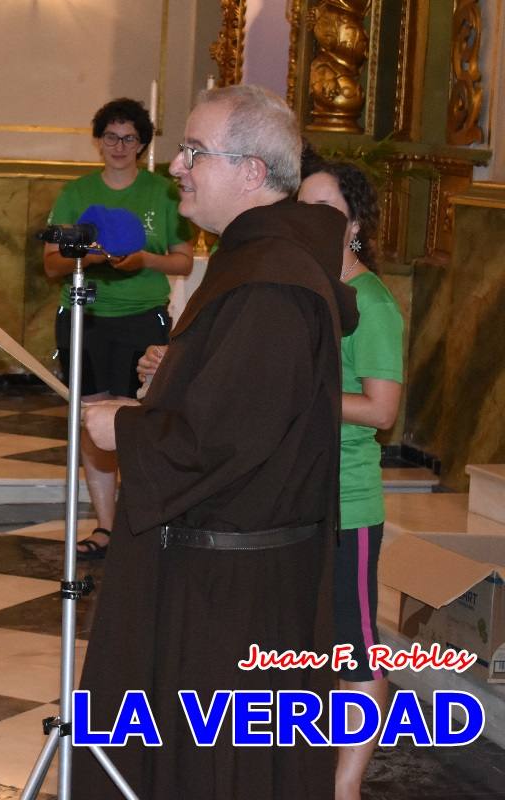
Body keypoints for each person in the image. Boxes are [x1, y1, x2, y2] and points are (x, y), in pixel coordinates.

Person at [72, 85, 358, 799]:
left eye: (196, 152)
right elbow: (243, 399)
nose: (176, 166)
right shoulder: (255, 262)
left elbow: (228, 439)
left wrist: (127, 428)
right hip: (230, 571)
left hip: (230, 593)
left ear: (254, 174)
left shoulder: (270, 282)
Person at [42, 98, 193, 560]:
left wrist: (144, 259)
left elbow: (184, 259)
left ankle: (140, 521)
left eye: (129, 138)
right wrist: (92, 256)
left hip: (144, 319)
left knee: (141, 422)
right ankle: (106, 526)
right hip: (85, 318)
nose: (119, 146)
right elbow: (51, 265)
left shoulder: (163, 193)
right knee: (92, 423)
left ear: (143, 143)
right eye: (111, 136)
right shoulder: (75, 193)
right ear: (98, 140)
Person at [299, 159, 403, 800]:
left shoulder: (372, 302)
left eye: (324, 211)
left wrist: (300, 396)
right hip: (301, 495)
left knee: (356, 653)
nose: (308, 221)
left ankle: (347, 785)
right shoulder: (306, 289)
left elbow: (382, 410)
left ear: (354, 227)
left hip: (349, 502)